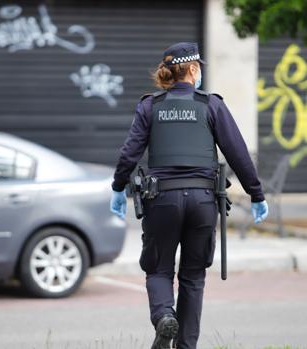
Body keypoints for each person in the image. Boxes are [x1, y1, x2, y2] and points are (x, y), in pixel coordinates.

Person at [109, 42, 268, 349]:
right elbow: (238, 154)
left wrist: (118, 187)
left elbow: (129, 154)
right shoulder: (212, 105)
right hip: (203, 202)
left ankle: (164, 316)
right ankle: (185, 346)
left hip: (161, 201)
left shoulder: (149, 106)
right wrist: (256, 194)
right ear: (193, 70)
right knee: (193, 278)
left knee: (158, 269)